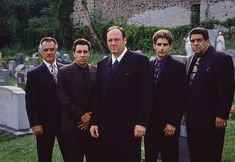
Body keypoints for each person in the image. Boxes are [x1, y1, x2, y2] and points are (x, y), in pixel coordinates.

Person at [90, 25, 152, 162]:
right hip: (106, 126)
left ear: (125, 40)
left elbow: (146, 95)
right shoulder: (102, 64)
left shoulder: (139, 61)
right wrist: (94, 122)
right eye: (110, 40)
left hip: (129, 127)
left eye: (116, 39)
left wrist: (142, 122)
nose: (113, 43)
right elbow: (98, 97)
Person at [185, 27, 234, 162]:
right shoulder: (190, 59)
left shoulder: (222, 59)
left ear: (207, 41)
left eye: (199, 40)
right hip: (192, 119)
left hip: (211, 120)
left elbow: (227, 89)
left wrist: (222, 115)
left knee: (209, 154)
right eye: (192, 41)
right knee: (194, 154)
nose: (195, 43)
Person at [144, 29, 187, 162]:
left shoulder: (178, 67)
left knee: (169, 156)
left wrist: (173, 122)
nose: (162, 48)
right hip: (150, 124)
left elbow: (180, 97)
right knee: (150, 156)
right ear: (154, 45)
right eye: (159, 44)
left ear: (170, 46)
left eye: (165, 44)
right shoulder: (148, 66)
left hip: (168, 124)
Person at [57, 38, 97, 162]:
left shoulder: (96, 71)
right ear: (73, 53)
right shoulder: (64, 72)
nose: (82, 55)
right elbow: (63, 98)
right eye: (79, 52)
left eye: (85, 52)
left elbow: (99, 97)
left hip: (92, 126)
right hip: (72, 127)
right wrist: (81, 115)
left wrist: (90, 117)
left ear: (89, 53)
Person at [25, 37, 64, 162]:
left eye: (52, 49)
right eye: (46, 50)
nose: (49, 52)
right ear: (41, 52)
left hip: (65, 122)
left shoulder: (65, 69)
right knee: (45, 156)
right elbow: (31, 101)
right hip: (44, 124)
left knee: (70, 155)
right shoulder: (34, 74)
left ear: (56, 50)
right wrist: (34, 123)